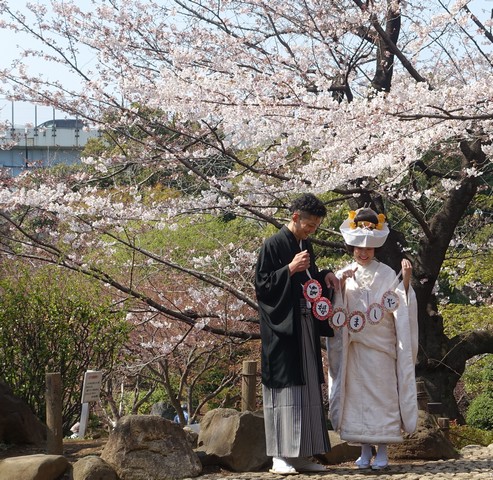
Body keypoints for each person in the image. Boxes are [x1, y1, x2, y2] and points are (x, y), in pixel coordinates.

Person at [255, 193, 340, 475]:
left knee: (307, 385)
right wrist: (289, 269)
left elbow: (310, 279)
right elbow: (262, 286)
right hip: (282, 329)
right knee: (285, 388)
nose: (312, 229)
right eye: (309, 224)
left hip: (304, 324)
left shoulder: (306, 245)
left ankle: (304, 454)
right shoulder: (272, 244)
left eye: (316, 226)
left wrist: (324, 273)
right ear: (295, 217)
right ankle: (280, 455)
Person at [327, 207, 418, 470]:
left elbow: (400, 304)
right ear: (352, 247)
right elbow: (337, 312)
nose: (363, 252)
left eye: (368, 248)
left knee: (383, 395)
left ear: (375, 249)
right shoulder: (344, 272)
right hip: (355, 347)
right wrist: (340, 287)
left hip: (380, 347)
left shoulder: (388, 273)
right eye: (358, 248)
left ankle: (383, 450)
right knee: (356, 397)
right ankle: (365, 449)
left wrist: (407, 280)